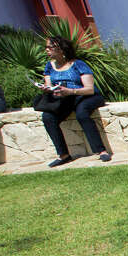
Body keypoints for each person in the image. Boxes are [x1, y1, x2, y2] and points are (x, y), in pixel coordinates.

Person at [40, 36, 110, 168]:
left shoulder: (78, 64)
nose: (47, 50)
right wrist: (46, 89)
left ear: (60, 49)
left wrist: (70, 91)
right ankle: (64, 155)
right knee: (48, 117)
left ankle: (101, 151)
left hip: (86, 96)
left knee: (82, 113)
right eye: (46, 47)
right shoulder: (49, 66)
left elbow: (89, 89)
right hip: (66, 99)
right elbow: (49, 85)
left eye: (50, 47)